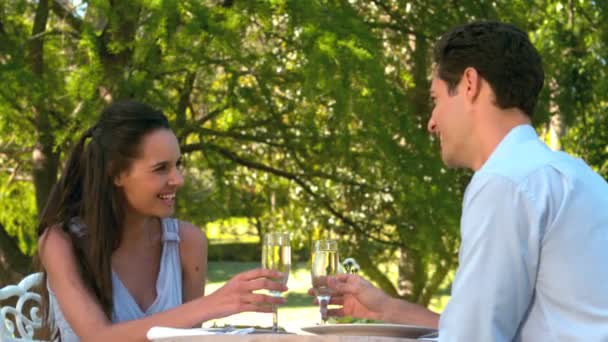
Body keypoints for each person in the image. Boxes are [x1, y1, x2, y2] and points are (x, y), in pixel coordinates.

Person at [313, 21, 608, 341]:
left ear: (470, 84)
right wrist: (387, 310)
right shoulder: (574, 177)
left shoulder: (505, 183)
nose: (432, 122)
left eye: (436, 99)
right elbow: (484, 326)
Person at [37, 101, 287, 342]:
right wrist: (211, 305)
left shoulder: (188, 242)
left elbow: (189, 340)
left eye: (178, 164)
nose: (178, 179)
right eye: (161, 168)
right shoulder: (60, 243)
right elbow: (99, 337)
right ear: (116, 174)